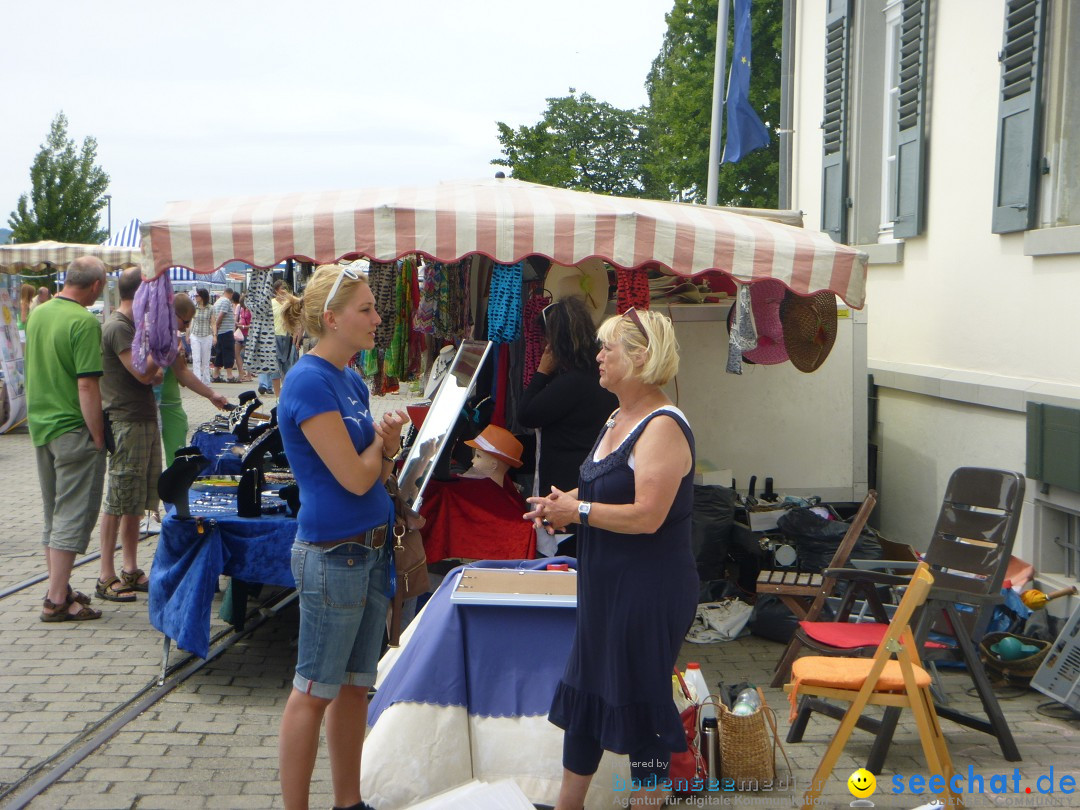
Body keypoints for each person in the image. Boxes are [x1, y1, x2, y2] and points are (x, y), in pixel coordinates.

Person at [525, 307, 697, 808]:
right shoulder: (617, 416)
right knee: (587, 692)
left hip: (648, 588)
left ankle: (649, 800)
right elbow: (604, 486)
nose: (598, 356)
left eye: (608, 348)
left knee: (639, 701)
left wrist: (577, 510)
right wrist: (560, 507)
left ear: (640, 358)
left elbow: (647, 516)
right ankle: (567, 804)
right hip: (606, 582)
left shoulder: (662, 424)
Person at [275, 264, 408, 810]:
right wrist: (382, 447)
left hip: (367, 549)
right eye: (367, 310)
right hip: (335, 555)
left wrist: (387, 444)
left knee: (355, 687)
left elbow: (373, 469)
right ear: (332, 319)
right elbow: (355, 477)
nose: (378, 319)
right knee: (313, 691)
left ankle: (348, 802)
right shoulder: (310, 380)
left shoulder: (350, 377)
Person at [25, 256, 107, 622]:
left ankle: (59, 587)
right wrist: (98, 435)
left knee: (54, 513)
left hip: (41, 426)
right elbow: (87, 384)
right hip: (74, 427)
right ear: (95, 286)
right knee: (74, 514)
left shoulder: (39, 312)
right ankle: (56, 597)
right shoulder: (84, 321)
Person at [517, 295, 618, 557]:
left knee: (566, 563)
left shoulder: (570, 383)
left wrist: (541, 372)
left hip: (566, 485)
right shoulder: (596, 378)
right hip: (589, 481)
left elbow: (527, 414)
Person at [95, 268, 164, 602]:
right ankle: (105, 574)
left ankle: (131, 568)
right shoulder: (119, 328)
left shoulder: (133, 327)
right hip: (126, 422)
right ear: (140, 295)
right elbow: (143, 373)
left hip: (142, 419)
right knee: (118, 499)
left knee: (135, 499)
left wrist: (154, 364)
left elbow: (153, 373)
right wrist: (160, 352)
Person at [160, 294, 230, 466]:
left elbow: (182, 372)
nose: (186, 328)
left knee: (177, 460)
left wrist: (211, 394)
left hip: (171, 406)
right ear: (172, 314)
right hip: (155, 407)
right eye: (185, 322)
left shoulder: (172, 336)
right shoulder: (158, 335)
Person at [271, 279, 301, 396]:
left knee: (289, 366)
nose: (284, 291)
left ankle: (288, 392)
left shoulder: (290, 303)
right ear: (276, 290)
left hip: (288, 337)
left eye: (286, 288)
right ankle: (277, 395)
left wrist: (295, 336)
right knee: (275, 367)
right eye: (282, 288)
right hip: (274, 337)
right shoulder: (271, 303)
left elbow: (296, 320)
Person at [211, 287, 237, 383]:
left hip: (220, 332)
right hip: (226, 331)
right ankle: (230, 376)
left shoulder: (217, 302)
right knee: (228, 353)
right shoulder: (226, 301)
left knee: (220, 354)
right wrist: (216, 325)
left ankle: (215, 374)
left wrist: (215, 329)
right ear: (230, 294)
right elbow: (222, 314)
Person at [188, 288, 214, 385]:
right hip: (195, 334)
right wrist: (188, 335)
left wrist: (214, 335)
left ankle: (206, 381)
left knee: (206, 360)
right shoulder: (194, 307)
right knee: (196, 359)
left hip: (207, 335)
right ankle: (197, 381)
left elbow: (213, 322)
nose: (195, 297)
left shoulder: (210, 308)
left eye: (197, 295)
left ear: (202, 297)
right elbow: (190, 321)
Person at [233, 291, 253, 382]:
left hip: (248, 333)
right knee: (236, 352)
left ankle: (249, 375)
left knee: (248, 354)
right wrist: (238, 324)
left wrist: (243, 326)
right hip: (241, 333)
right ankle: (241, 372)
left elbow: (253, 324)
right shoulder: (242, 309)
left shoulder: (252, 310)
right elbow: (241, 319)